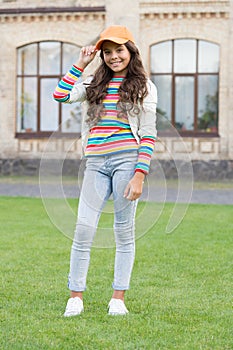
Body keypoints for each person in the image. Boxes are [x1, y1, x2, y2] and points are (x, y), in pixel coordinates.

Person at [53, 25, 157, 316]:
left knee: (124, 232)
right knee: (84, 228)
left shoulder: (145, 86)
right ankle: (76, 297)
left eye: (119, 50)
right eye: (107, 52)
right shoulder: (93, 85)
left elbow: (148, 133)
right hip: (96, 164)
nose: (114, 57)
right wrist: (81, 63)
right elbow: (60, 95)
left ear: (130, 51)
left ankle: (118, 299)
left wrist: (139, 174)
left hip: (127, 161)